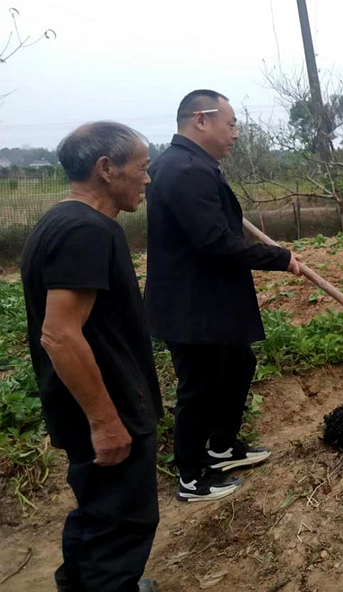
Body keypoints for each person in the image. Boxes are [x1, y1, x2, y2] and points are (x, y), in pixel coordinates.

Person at [20, 122, 161, 592]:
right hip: (105, 402)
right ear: (107, 169)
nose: (146, 179)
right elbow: (59, 335)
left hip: (83, 401)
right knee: (122, 525)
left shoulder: (60, 220)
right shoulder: (86, 231)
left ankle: (82, 583)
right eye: (141, 168)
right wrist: (105, 421)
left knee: (99, 512)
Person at [144, 89, 301, 502]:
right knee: (200, 385)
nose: (235, 134)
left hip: (208, 296)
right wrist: (279, 257)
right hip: (192, 303)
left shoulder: (188, 164)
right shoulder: (184, 169)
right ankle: (192, 476)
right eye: (230, 124)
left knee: (237, 363)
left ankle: (222, 446)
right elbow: (214, 241)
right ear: (201, 120)